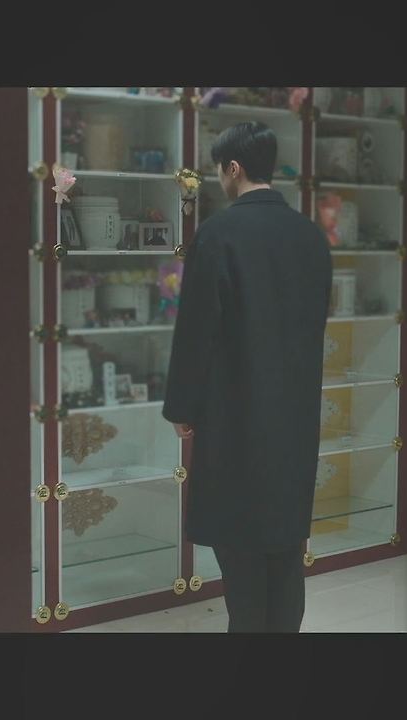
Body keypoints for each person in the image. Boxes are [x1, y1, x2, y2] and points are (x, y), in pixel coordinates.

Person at [162, 121, 331, 633]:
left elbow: (197, 332)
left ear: (232, 168)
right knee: (285, 550)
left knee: (241, 557)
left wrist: (182, 407)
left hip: (235, 415)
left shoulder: (219, 234)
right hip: (295, 416)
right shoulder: (310, 236)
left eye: (219, 169)